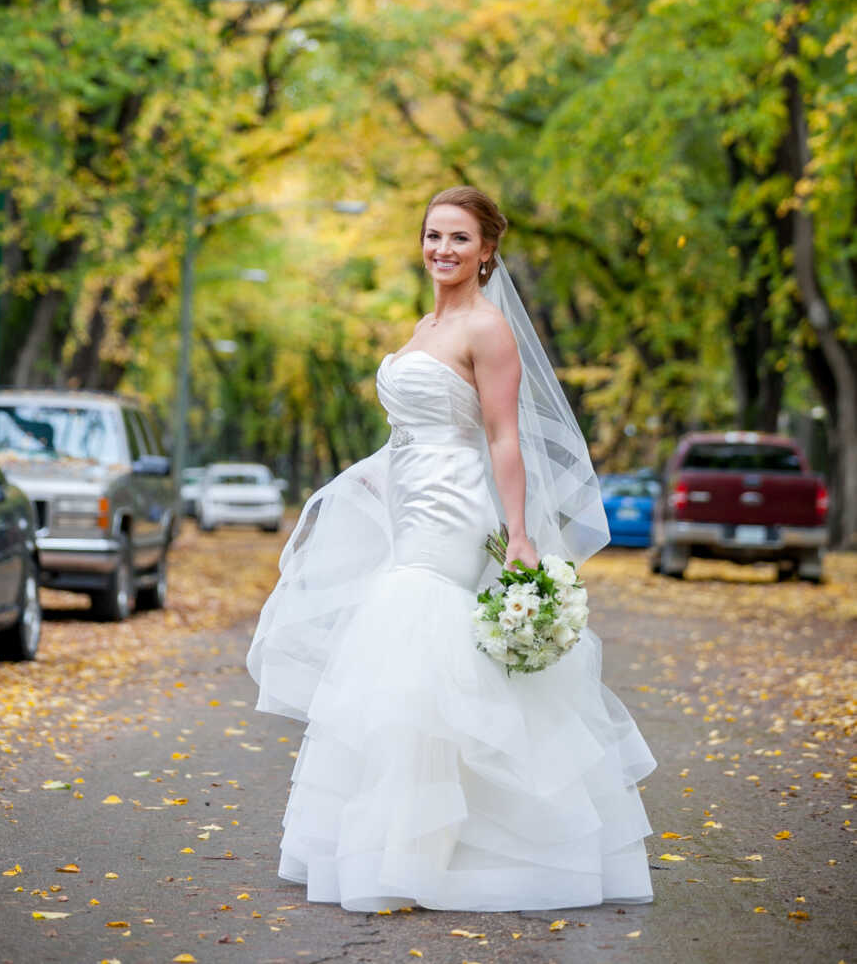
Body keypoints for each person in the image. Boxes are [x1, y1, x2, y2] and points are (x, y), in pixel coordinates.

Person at [247, 186, 655, 912]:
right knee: (418, 662)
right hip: (411, 501)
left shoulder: (488, 330)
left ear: (487, 250)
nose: (443, 249)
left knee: (412, 641)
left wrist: (521, 534)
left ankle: (412, 855)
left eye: (459, 239)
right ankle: (434, 844)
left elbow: (502, 436)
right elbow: (414, 430)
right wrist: (372, 484)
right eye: (434, 235)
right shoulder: (423, 323)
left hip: (456, 509)